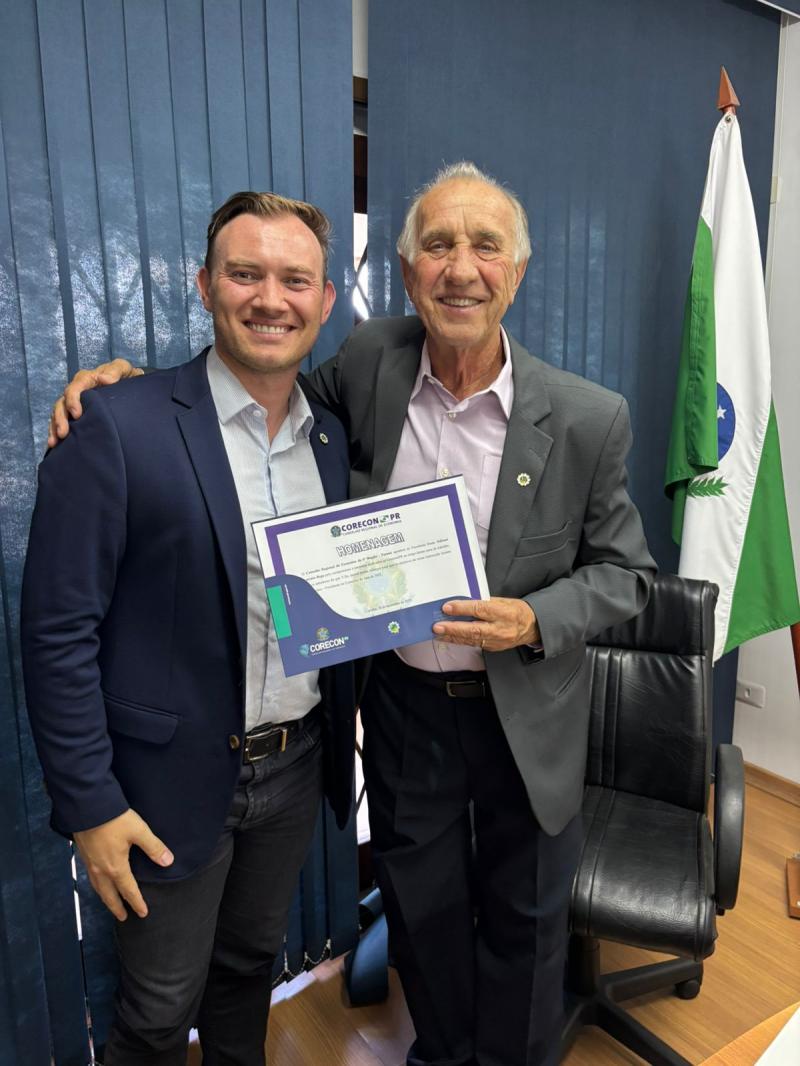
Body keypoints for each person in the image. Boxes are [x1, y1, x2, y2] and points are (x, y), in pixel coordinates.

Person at [48, 162, 657, 1066]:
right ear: (406, 274)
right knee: (425, 920)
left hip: (526, 719)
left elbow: (629, 576)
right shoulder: (370, 366)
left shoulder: (586, 417)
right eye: (437, 246)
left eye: (486, 246)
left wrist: (534, 620)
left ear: (517, 271)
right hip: (404, 715)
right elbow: (249, 381)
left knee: (527, 929)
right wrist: (119, 388)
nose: (461, 268)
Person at [22, 191, 356, 1066]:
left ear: (326, 301)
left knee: (248, 972)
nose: (270, 298)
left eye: (295, 280)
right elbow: (57, 632)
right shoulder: (116, 424)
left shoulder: (330, 440)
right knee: (158, 1013)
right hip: (162, 788)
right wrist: (90, 806)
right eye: (246, 274)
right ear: (205, 286)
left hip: (294, 768)